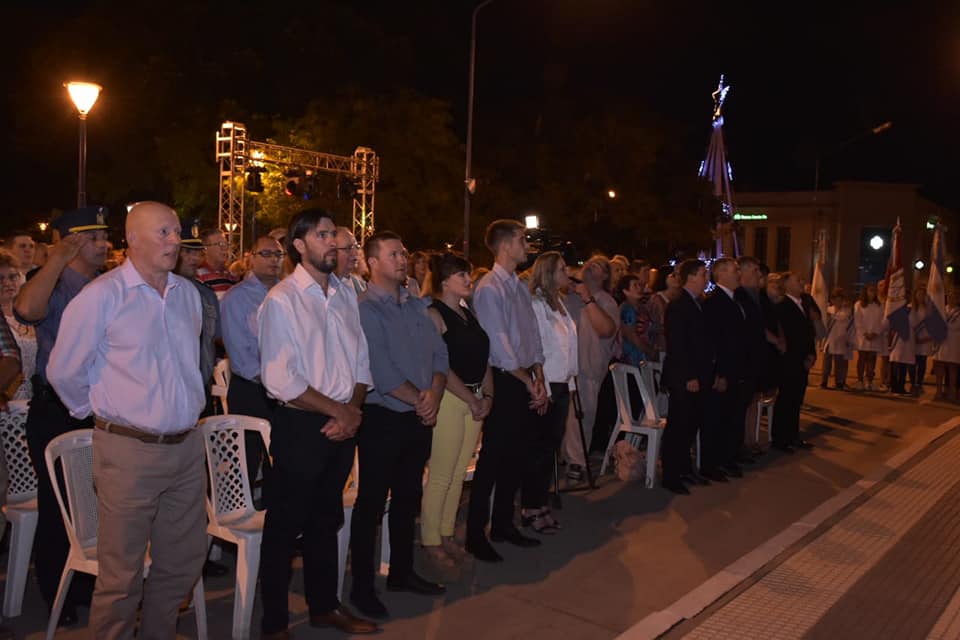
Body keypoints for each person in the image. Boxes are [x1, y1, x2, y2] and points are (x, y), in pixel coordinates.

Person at [47, 202, 208, 637]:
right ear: (132, 239)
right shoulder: (102, 296)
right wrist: (103, 414)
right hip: (129, 452)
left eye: (176, 231)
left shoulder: (187, 295)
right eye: (163, 232)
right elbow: (63, 371)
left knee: (183, 561)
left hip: (186, 448)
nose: (175, 240)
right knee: (121, 574)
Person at [256, 209, 377, 637]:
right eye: (322, 235)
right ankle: (274, 623)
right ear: (299, 245)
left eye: (333, 235)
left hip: (344, 423)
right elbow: (279, 379)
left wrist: (352, 410)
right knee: (284, 528)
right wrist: (338, 412)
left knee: (326, 521)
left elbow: (360, 360)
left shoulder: (344, 294)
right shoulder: (282, 300)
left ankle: (325, 606)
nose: (333, 242)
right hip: (302, 427)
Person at [14, 206, 109, 625]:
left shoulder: (105, 285)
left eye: (105, 236)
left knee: (94, 504)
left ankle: (88, 583)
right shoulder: (52, 280)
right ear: (71, 241)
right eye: (93, 238)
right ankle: (58, 593)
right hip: (55, 410)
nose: (104, 244)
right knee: (60, 506)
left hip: (97, 408)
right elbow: (27, 311)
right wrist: (55, 258)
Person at [349, 230, 448, 619]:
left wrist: (434, 394)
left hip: (418, 415)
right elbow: (380, 371)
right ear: (372, 263)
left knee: (408, 497)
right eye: (394, 254)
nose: (403, 259)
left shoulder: (416, 306)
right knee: (372, 503)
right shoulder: (365, 309)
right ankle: (361, 587)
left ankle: (401, 572)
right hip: (383, 418)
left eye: (404, 253)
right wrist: (423, 401)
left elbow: (440, 355)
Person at [467, 219, 548, 562]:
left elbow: (531, 335)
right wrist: (528, 380)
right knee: (492, 459)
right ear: (504, 245)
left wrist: (538, 374)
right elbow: (498, 346)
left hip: (524, 377)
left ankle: (503, 523)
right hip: (504, 379)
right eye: (521, 239)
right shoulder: (490, 288)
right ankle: (475, 534)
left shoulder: (517, 286)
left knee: (516, 456)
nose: (526, 245)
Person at [421, 253, 492, 566]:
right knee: (441, 473)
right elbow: (439, 366)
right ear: (445, 281)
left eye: (468, 273)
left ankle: (446, 532)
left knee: (459, 472)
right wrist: (472, 399)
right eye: (462, 275)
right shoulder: (433, 314)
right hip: (450, 399)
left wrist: (487, 396)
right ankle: (431, 539)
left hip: (474, 399)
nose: (468, 279)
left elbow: (484, 357)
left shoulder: (467, 313)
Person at [523, 251, 577, 534]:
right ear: (549, 273)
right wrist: (540, 385)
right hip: (547, 382)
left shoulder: (560, 302)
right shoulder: (536, 304)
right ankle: (530, 506)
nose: (568, 273)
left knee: (549, 448)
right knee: (539, 449)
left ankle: (540, 502)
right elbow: (536, 347)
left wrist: (570, 383)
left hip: (562, 382)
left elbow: (568, 347)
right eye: (562, 269)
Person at [221, 235, 283, 484]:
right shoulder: (237, 297)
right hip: (252, 389)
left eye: (278, 254)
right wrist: (275, 381)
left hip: (285, 391)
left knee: (281, 462)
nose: (273, 260)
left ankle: (276, 504)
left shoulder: (287, 293)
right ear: (251, 259)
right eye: (266, 254)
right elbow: (240, 356)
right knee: (246, 462)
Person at [660, 259, 712, 494]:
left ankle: (684, 468)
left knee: (691, 424)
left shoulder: (697, 302)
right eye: (702, 274)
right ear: (691, 277)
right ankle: (671, 475)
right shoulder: (679, 305)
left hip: (698, 373)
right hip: (684, 376)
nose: (706, 278)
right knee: (679, 425)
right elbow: (678, 344)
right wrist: (689, 376)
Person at [569, 255, 618, 481]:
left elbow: (606, 330)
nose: (591, 267)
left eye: (599, 266)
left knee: (582, 416)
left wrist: (588, 299)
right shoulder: (571, 296)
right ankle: (565, 457)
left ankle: (577, 462)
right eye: (590, 263)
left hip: (589, 367)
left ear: (605, 276)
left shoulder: (607, 302)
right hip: (567, 366)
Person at [702, 257, 748, 480]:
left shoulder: (734, 300)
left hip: (735, 369)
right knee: (716, 419)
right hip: (723, 371)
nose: (739, 274)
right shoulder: (714, 302)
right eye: (735, 270)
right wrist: (719, 373)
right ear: (721, 274)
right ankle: (711, 464)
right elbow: (714, 342)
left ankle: (727, 459)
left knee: (731, 416)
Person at [176, 220, 222, 416]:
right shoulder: (156, 294)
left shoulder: (206, 294)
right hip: (170, 388)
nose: (194, 258)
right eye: (186, 252)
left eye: (197, 252)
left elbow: (215, 337)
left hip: (201, 385)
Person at [773, 272, 816, 452]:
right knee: (786, 400)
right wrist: (801, 357)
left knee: (797, 400)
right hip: (790, 361)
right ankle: (781, 439)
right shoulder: (782, 306)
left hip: (803, 361)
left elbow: (808, 333)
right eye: (797, 280)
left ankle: (793, 436)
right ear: (787, 285)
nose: (802, 282)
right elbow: (789, 336)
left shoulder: (803, 305)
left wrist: (811, 354)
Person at [735, 257, 769, 460]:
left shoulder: (755, 296)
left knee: (750, 402)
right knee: (740, 407)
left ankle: (747, 442)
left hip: (753, 361)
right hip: (744, 361)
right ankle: (738, 446)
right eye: (755, 270)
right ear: (744, 271)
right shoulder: (740, 296)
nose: (759, 275)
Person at [0, 250, 35, 400]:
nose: (7, 283)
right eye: (0, 278)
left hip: (36, 397)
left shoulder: (30, 314)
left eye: (12, 277)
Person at [617, 273, 655, 367]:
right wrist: (649, 351)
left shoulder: (642, 307)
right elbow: (632, 337)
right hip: (634, 356)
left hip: (645, 354)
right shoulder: (627, 309)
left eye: (640, 285)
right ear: (626, 291)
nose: (639, 288)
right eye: (635, 285)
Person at [820, 288, 855, 390]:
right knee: (827, 363)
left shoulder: (846, 311)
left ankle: (839, 382)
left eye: (840, 299)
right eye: (835, 299)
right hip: (829, 340)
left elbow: (842, 318)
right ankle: (824, 381)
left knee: (839, 363)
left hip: (841, 341)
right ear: (832, 300)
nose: (838, 301)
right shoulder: (828, 310)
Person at [854, 283, 884, 390]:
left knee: (872, 359)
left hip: (875, 336)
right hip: (863, 337)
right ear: (865, 292)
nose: (873, 293)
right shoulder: (859, 304)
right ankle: (860, 381)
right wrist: (865, 333)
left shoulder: (879, 305)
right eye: (870, 290)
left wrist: (875, 332)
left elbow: (882, 321)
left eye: (874, 291)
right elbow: (857, 321)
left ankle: (869, 381)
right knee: (862, 358)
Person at [648, 263, 680, 359]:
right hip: (662, 345)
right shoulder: (657, 299)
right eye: (673, 275)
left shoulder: (678, 298)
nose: (677, 278)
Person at [932, 290, 960, 402]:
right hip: (941, 343)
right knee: (939, 368)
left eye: (954, 297)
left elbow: (956, 326)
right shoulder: (941, 310)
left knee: (953, 368)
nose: (951, 299)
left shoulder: (958, 312)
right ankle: (938, 392)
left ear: (958, 300)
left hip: (954, 343)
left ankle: (952, 393)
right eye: (950, 297)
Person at [196, 228, 238, 298]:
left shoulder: (232, 277)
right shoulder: (197, 277)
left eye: (226, 244)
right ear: (205, 249)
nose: (224, 248)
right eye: (219, 244)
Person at [910, 287, 933, 395]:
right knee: (912, 363)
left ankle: (919, 384)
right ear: (915, 295)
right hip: (912, 340)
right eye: (918, 294)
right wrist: (913, 337)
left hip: (924, 340)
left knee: (922, 363)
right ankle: (912, 384)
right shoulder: (910, 307)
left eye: (923, 294)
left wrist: (927, 337)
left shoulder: (929, 309)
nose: (920, 296)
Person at [334, 226, 367, 295]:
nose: (356, 253)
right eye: (348, 248)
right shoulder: (322, 288)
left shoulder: (362, 286)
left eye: (356, 247)